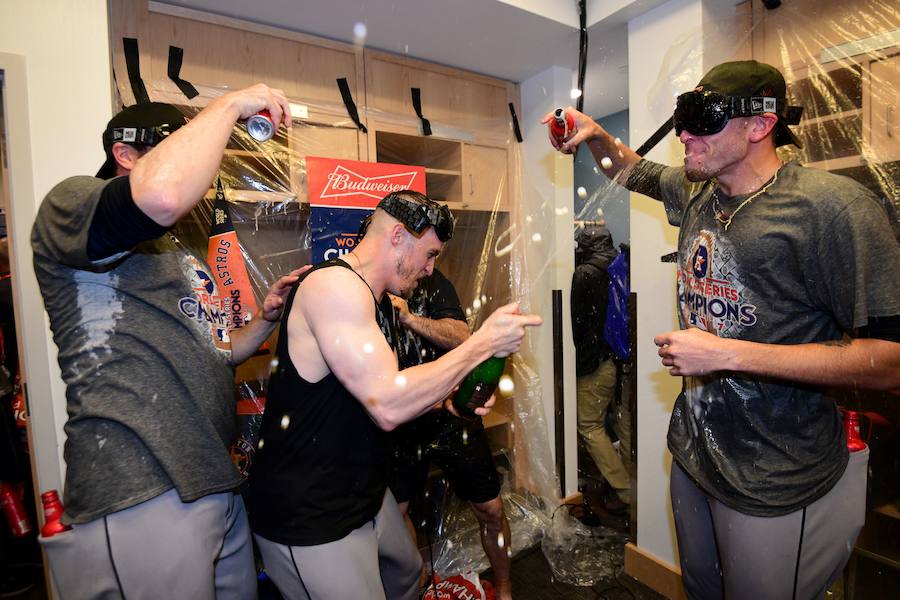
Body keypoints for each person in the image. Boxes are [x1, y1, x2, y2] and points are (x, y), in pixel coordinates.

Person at [546, 60, 900, 599]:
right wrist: (594, 133)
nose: (685, 134)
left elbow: (890, 360)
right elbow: (632, 171)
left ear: (760, 125)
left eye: (702, 119)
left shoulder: (832, 210)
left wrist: (727, 354)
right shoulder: (699, 196)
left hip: (774, 476)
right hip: (694, 455)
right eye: (682, 118)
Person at [31, 84, 302, 600]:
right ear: (125, 155)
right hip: (139, 486)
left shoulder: (173, 251)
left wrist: (266, 320)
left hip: (213, 480)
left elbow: (217, 354)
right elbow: (161, 193)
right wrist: (228, 106)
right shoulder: (72, 204)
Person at [246, 190, 541, 600]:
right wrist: (481, 344)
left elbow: (380, 382)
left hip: (362, 488)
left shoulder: (379, 301)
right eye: (430, 254)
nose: (430, 269)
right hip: (310, 508)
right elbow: (386, 405)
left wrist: (448, 399)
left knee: (405, 575)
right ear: (399, 235)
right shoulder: (333, 286)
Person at [387, 267, 514, 600]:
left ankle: (504, 588)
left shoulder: (431, 280)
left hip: (450, 414)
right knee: (397, 514)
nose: (428, 264)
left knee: (491, 509)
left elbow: (462, 337)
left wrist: (411, 319)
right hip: (401, 419)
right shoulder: (362, 292)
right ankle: (416, 582)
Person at [570, 225, 632, 514]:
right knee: (624, 425)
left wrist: (578, 365)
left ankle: (624, 489)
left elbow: (580, 328)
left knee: (589, 424)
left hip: (596, 363)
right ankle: (631, 487)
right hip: (621, 361)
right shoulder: (620, 264)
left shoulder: (585, 273)